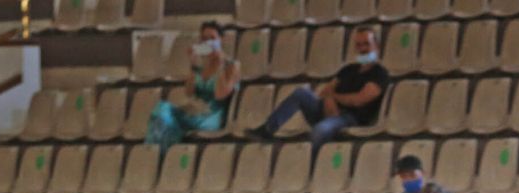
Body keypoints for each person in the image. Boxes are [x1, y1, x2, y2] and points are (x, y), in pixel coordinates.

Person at [249, 26, 388, 151]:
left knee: (319, 131)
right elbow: (325, 92)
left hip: (350, 118)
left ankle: (313, 166)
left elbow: (359, 100)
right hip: (326, 110)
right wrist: (329, 100)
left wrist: (333, 98)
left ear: (377, 46)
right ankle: (267, 129)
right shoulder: (348, 70)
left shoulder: (379, 74)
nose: (362, 49)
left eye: (366, 44)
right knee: (300, 93)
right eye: (358, 45)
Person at [146, 20, 237, 154]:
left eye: (212, 38)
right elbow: (189, 92)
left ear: (221, 40)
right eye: (204, 39)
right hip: (196, 111)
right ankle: (156, 153)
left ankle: (162, 154)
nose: (208, 42)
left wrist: (219, 65)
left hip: (212, 116)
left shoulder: (232, 65)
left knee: (169, 124)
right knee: (162, 109)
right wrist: (193, 66)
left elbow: (220, 95)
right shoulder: (202, 66)